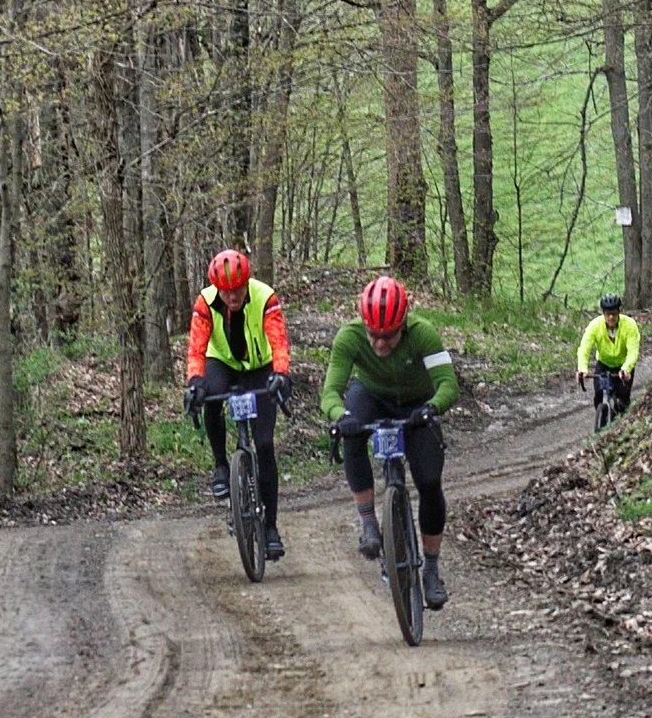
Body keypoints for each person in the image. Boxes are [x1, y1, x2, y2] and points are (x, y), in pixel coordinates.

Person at [321, 271, 458, 610]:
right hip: (372, 396)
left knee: (429, 482)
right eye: (374, 335)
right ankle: (368, 522)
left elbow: (448, 385)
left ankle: (431, 569)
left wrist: (432, 408)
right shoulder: (349, 337)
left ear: (404, 324)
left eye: (389, 336)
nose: (380, 344)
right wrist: (340, 416)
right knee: (352, 432)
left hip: (417, 405)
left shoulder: (424, 334)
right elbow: (330, 392)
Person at [184, 246, 291, 559]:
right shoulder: (205, 302)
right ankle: (220, 466)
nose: (232, 296)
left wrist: (281, 374)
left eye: (238, 289)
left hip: (261, 367)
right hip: (224, 363)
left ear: (248, 282)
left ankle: (270, 528)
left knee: (265, 445)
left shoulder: (265, 297)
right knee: (210, 396)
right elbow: (196, 349)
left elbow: (279, 341)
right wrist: (194, 380)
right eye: (226, 291)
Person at [577, 291, 641, 420]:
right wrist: (582, 369)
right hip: (604, 365)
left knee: (622, 400)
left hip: (623, 367)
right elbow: (584, 348)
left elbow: (633, 351)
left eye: (614, 314)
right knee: (599, 395)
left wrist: (627, 369)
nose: (611, 317)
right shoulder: (595, 326)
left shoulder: (629, 325)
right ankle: (602, 419)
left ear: (619, 312)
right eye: (607, 314)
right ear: (603, 313)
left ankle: (621, 423)